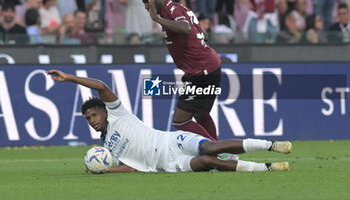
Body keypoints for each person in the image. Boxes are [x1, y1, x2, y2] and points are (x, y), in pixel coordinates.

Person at [46, 69, 291, 173]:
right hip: (168, 163)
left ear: (105, 111)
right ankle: (266, 168)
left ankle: (271, 145)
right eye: (88, 118)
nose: (92, 120)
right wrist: (102, 168)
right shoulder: (107, 146)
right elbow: (131, 167)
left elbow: (101, 86)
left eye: (94, 114)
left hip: (171, 141)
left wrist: (69, 78)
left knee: (212, 147)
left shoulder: (118, 113)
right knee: (207, 161)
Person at [141, 0, 221, 142]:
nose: (146, 6)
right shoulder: (178, 8)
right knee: (200, 113)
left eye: (147, 1)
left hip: (202, 71)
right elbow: (203, 34)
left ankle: (215, 152)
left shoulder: (171, 10)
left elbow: (185, 28)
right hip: (208, 67)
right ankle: (218, 151)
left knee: (180, 120)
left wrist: (157, 19)